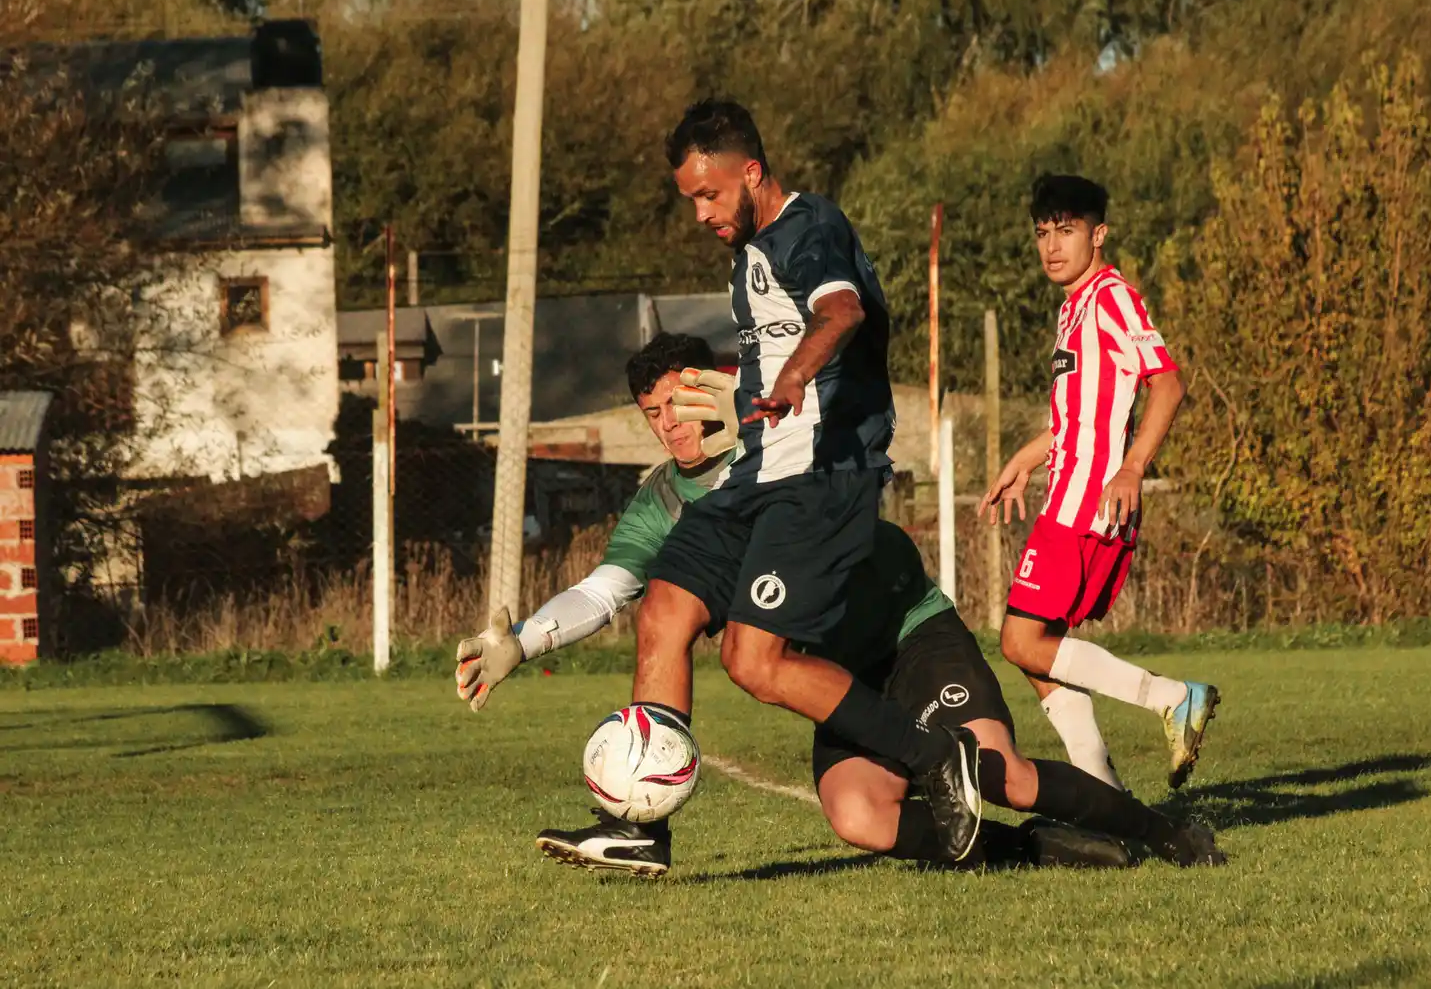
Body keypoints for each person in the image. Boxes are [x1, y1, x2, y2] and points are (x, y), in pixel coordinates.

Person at [456, 334, 1226, 876]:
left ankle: (1168, 833)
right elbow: (607, 589)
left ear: (715, 388)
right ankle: (1033, 850)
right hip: (826, 676)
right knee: (859, 817)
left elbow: (847, 407)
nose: (669, 425)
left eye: (678, 402)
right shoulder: (663, 503)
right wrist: (522, 641)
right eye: (651, 412)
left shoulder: (787, 446)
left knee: (1004, 776)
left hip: (908, 638)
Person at [633, 99, 981, 859]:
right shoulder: (750, 255)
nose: (699, 212)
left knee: (752, 661)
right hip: (758, 473)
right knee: (662, 611)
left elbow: (843, 311)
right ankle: (641, 827)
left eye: (708, 194)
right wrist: (739, 393)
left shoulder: (809, 226)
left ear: (751, 173)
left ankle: (934, 754)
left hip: (823, 479)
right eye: (689, 196)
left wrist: (792, 379)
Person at [979, 173, 1219, 790]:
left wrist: (1134, 466)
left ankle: (1172, 697)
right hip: (1068, 493)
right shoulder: (1073, 307)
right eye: (1042, 233)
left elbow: (1166, 382)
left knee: (1020, 639)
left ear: (1099, 232)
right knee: (1037, 646)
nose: (1052, 245)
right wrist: (1028, 457)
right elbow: (1082, 416)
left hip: (1087, 502)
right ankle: (1103, 790)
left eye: (1067, 230)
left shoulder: (1111, 297)